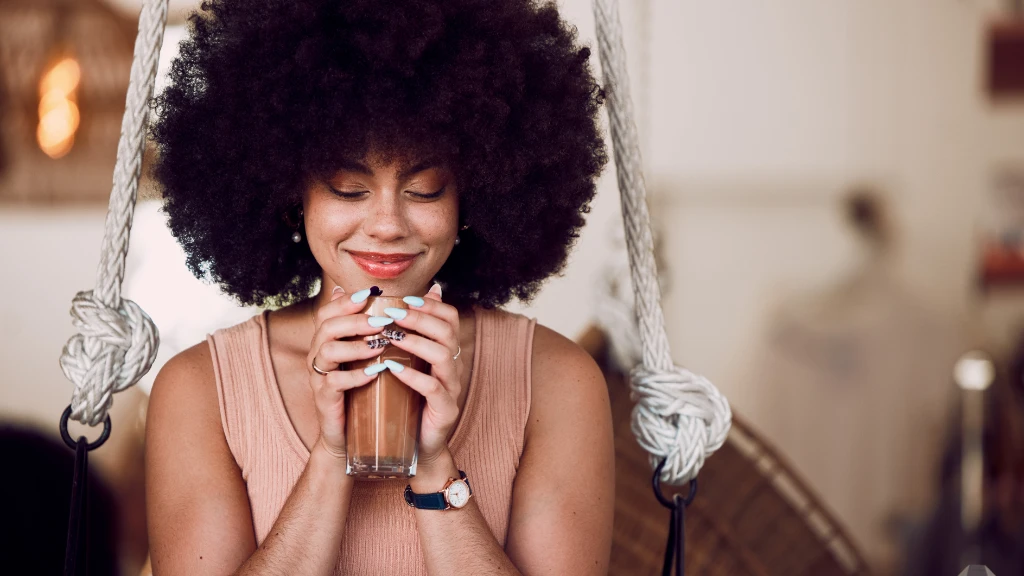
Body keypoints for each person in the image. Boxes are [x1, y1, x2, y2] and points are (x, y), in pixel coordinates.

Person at [143, 0, 614, 574]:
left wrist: (436, 464)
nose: (388, 224)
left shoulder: (557, 382)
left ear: (473, 197)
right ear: (294, 196)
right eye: (348, 188)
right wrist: (331, 454)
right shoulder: (200, 391)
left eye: (425, 188)